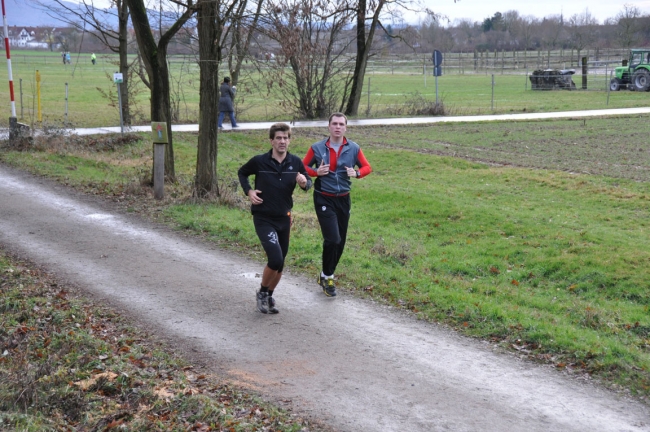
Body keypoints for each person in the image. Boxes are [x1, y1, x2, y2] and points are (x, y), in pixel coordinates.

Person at [238, 123, 312, 314]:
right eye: (278, 138)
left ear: (289, 140)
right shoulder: (260, 161)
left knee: (281, 263)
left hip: (284, 218)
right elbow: (243, 172)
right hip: (263, 217)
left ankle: (269, 296)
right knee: (275, 258)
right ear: (271, 140)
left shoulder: (295, 162)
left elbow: (308, 182)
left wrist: (304, 183)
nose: (282, 141)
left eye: (285, 138)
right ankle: (262, 293)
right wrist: (249, 191)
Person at [302, 112, 372, 297]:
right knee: (332, 238)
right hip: (324, 197)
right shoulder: (317, 148)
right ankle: (328, 276)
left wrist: (356, 173)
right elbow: (302, 168)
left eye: (341, 124)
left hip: (343, 198)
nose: (338, 127)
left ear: (346, 127)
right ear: (329, 126)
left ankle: (325, 275)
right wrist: (317, 172)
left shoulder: (354, 148)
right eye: (335, 123)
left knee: (340, 241)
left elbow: (367, 167)